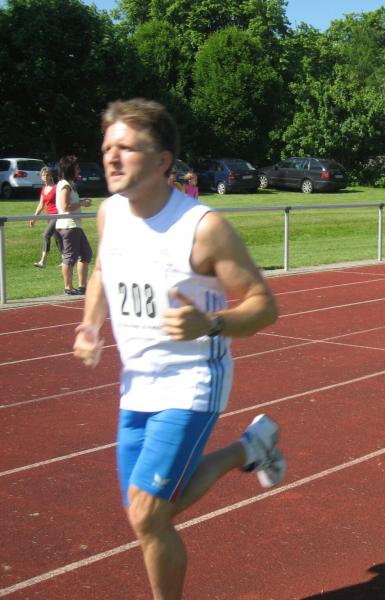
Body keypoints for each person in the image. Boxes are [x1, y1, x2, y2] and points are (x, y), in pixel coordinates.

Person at [72, 98, 285, 600]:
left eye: (127, 147)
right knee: (144, 515)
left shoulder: (202, 228)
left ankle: (247, 449)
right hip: (136, 382)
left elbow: (264, 306)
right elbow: (102, 269)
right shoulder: (108, 214)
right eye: (107, 147)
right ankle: (249, 449)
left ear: (163, 160)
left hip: (192, 382)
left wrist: (210, 323)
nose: (111, 157)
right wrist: (89, 325)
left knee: (148, 513)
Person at [55, 156, 93, 295]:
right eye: (77, 168)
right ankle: (68, 287)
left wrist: (81, 201)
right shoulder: (65, 185)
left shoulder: (70, 184)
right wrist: (82, 203)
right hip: (68, 226)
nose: (79, 170)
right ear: (70, 169)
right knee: (70, 257)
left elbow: (71, 203)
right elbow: (65, 206)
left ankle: (82, 286)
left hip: (75, 225)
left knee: (86, 253)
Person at [30, 166, 62, 268]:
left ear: (51, 176)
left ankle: (42, 261)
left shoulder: (56, 188)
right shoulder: (44, 189)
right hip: (49, 216)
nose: (45, 177)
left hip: (57, 215)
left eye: (47, 175)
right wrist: (34, 218)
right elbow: (41, 205)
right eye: (43, 175)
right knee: (58, 238)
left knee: (46, 235)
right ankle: (65, 260)